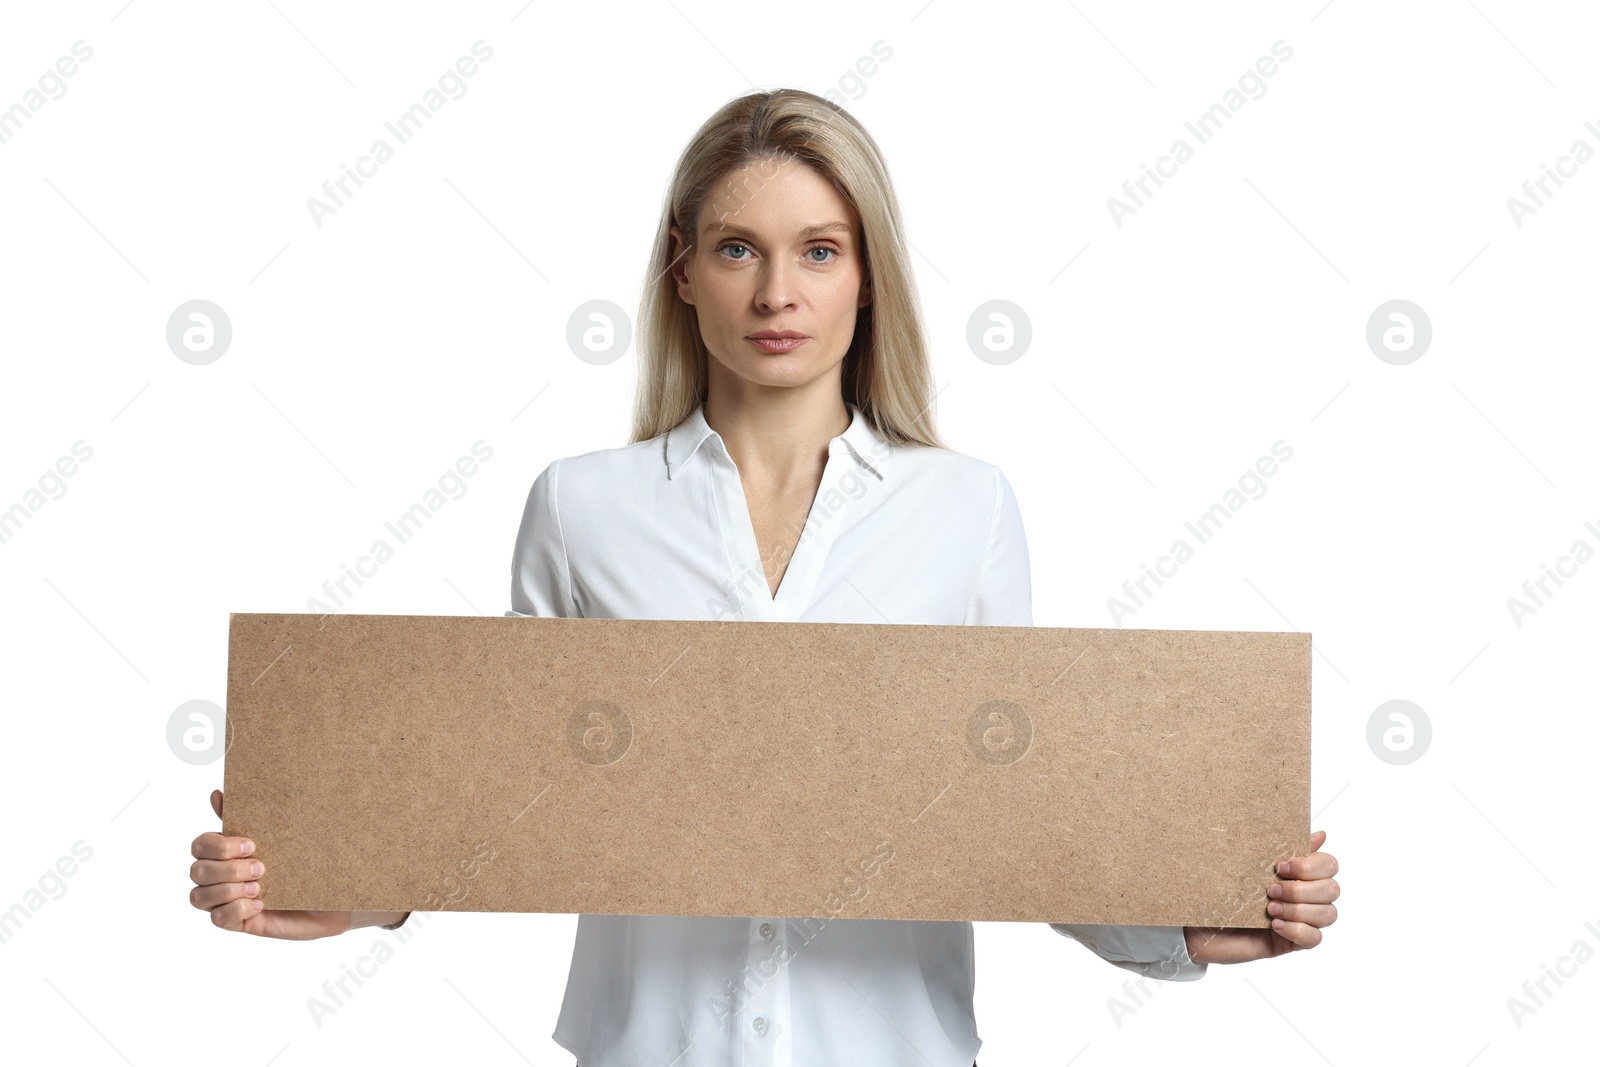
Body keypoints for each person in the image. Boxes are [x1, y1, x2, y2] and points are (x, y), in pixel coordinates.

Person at [189, 87, 1339, 1066]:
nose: (776, 292)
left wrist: (1183, 924)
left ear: (867, 280)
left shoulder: (964, 507)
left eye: (819, 251)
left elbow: (1009, 814)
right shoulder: (582, 506)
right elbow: (504, 802)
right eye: (738, 248)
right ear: (683, 272)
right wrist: (337, 879)